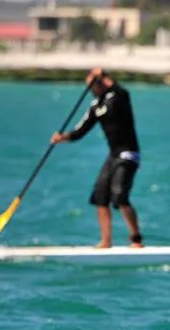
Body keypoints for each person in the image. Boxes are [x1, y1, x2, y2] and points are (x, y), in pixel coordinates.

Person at [51, 68, 144, 248]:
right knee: (100, 198)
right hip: (113, 155)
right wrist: (62, 138)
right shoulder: (95, 106)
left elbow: (120, 89)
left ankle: (136, 239)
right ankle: (106, 241)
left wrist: (103, 75)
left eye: (93, 85)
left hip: (128, 154)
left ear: (102, 83)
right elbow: (80, 130)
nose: (91, 89)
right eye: (89, 87)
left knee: (119, 197)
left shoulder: (118, 97)